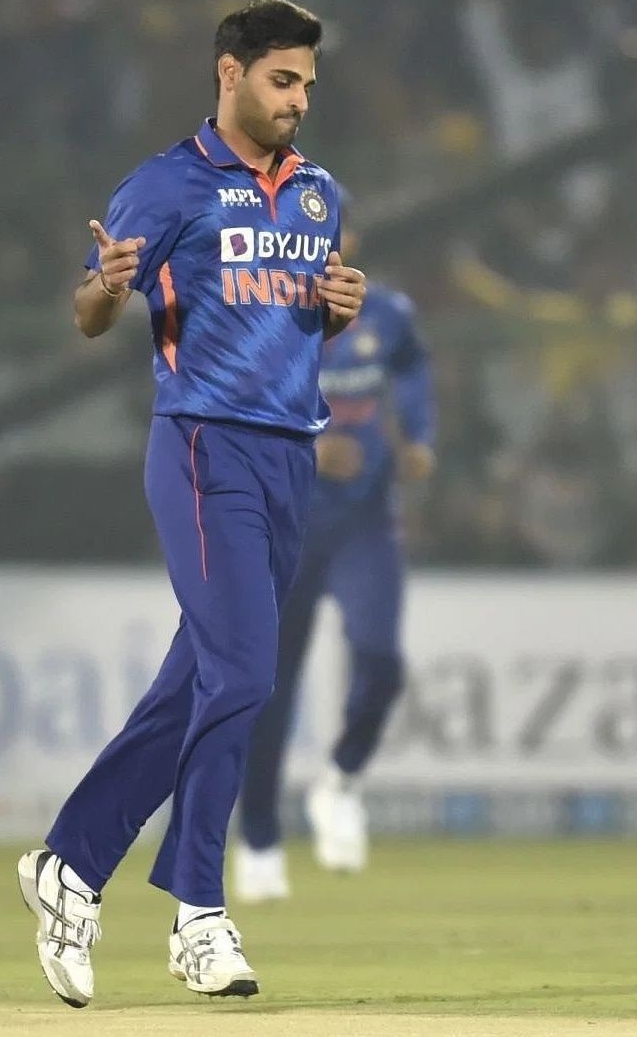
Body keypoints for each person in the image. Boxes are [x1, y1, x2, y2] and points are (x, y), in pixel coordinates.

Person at [15, 0, 367, 1008]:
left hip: (290, 457)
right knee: (248, 673)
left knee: (204, 682)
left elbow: (293, 326)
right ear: (230, 75)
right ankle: (201, 915)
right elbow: (90, 313)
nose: (298, 100)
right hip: (202, 446)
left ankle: (70, 866)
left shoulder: (318, 196)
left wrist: (332, 314)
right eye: (281, 81)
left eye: (306, 83)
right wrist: (108, 289)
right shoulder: (166, 184)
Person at [234, 215, 437, 901]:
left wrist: (419, 437)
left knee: (380, 659)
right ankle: (259, 837)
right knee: (269, 687)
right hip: (285, 523)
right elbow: (229, 416)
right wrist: (309, 452)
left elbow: (411, 372)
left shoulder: (386, 314)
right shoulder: (261, 311)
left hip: (364, 520)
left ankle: (341, 780)